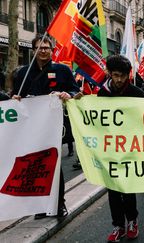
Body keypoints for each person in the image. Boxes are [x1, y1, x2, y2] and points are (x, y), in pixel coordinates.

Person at [12, 34, 80, 219]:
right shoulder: (23, 72)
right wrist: (15, 99)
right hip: (31, 128)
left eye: (46, 48)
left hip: (53, 127)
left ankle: (59, 205)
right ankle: (40, 207)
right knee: (35, 167)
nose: (43, 51)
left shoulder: (62, 70)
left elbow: (76, 91)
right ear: (33, 51)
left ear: (52, 50)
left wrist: (68, 94)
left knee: (53, 166)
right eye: (39, 48)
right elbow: (16, 95)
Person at [98, 55, 144, 242]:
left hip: (130, 151)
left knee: (127, 189)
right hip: (110, 152)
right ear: (109, 73)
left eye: (123, 76)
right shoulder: (101, 94)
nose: (119, 80)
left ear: (128, 75)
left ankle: (132, 221)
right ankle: (118, 225)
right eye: (116, 75)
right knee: (113, 191)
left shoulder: (137, 94)